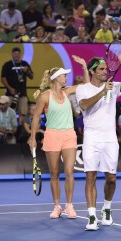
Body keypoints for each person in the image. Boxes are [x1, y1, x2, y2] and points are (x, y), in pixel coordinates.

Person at [76, 46, 121, 230]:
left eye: (105, 69)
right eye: (101, 69)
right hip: (91, 137)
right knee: (90, 176)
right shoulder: (82, 88)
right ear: (92, 71)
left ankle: (106, 208)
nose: (105, 71)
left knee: (111, 179)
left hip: (110, 138)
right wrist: (102, 91)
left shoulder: (114, 87)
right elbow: (84, 106)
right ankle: (92, 216)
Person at [29, 55, 89, 219]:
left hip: (69, 135)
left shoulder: (67, 91)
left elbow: (86, 85)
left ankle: (69, 206)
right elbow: (36, 117)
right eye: (64, 75)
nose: (67, 78)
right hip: (52, 136)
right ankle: (57, 206)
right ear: (57, 78)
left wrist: (84, 66)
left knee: (69, 171)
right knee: (54, 174)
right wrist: (33, 137)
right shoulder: (44, 96)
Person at [1, 47, 34, 121]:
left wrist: (27, 71)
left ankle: (21, 129)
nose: (16, 55)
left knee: (23, 113)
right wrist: (10, 88)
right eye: (15, 53)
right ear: (12, 54)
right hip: (10, 93)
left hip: (22, 93)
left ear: (20, 54)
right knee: (8, 112)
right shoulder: (7, 65)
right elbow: (3, 78)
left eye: (18, 53)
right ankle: (9, 129)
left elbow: (31, 76)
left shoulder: (25, 64)